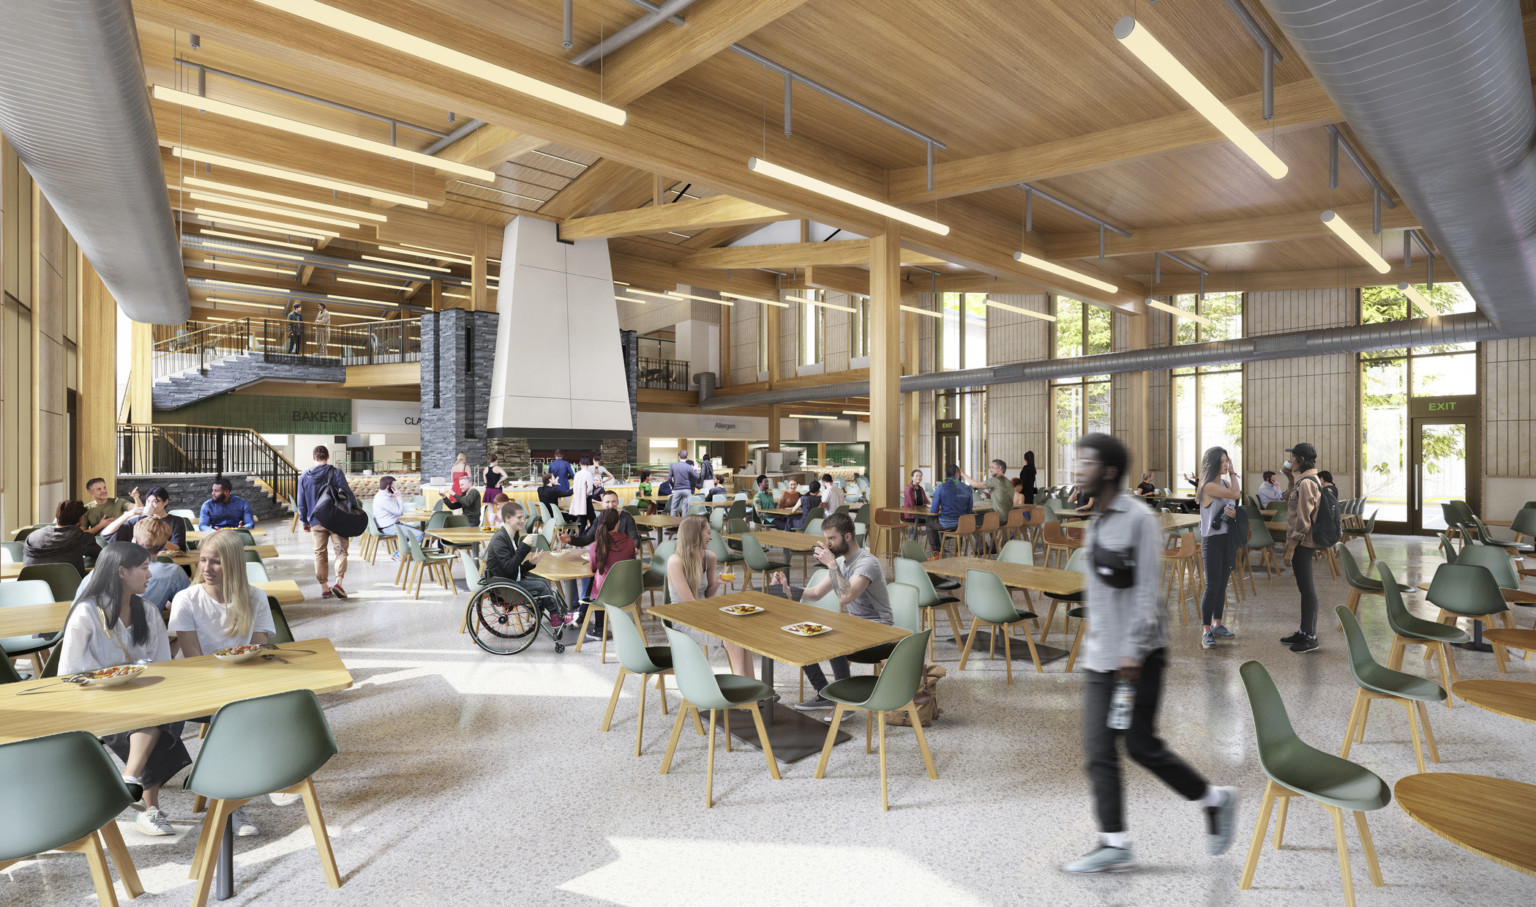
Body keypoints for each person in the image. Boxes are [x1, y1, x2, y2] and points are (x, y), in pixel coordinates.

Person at [1063, 433, 1236, 874]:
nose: (1078, 469)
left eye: (1086, 462)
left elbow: (1145, 593)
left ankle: (1214, 800)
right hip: (1102, 656)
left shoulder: (1137, 518)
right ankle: (1114, 840)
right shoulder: (1098, 520)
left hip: (1137, 657)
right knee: (1099, 748)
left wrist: (1131, 656)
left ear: (1107, 471)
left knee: (1140, 745)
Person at [59, 542, 190, 837]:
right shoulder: (86, 613)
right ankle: (149, 807)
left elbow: (162, 666)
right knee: (154, 720)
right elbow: (69, 674)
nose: (150, 574)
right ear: (121, 572)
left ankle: (131, 780)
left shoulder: (148, 611)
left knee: (161, 712)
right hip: (95, 699)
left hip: (142, 696)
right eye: (144, 568)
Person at [167, 529, 277, 837]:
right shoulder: (186, 599)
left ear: (233, 565)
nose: (206, 568)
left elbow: (257, 649)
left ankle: (278, 777)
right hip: (199, 687)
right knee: (230, 717)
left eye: (216, 562)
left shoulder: (255, 597)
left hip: (243, 682)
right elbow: (193, 659)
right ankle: (232, 804)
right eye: (202, 560)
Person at [776, 513, 892, 711]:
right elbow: (815, 593)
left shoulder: (866, 563)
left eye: (832, 538)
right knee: (803, 637)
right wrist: (787, 589)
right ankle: (824, 694)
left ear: (847, 536)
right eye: (826, 538)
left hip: (880, 632)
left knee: (833, 638)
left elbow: (846, 596)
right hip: (856, 628)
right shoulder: (841, 563)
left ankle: (844, 703)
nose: (828, 544)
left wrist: (831, 564)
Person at [666, 514, 753, 676]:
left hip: (703, 614)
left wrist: (718, 583)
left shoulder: (709, 557)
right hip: (684, 619)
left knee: (742, 636)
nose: (711, 537)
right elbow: (691, 604)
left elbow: (707, 595)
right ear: (695, 534)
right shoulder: (675, 561)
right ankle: (742, 691)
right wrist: (719, 619)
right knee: (733, 638)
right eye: (707, 533)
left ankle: (754, 692)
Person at [484, 501, 566, 626]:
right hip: (505, 587)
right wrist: (524, 546)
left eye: (523, 517)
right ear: (507, 518)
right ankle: (556, 618)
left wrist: (530, 563)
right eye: (519, 517)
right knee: (541, 586)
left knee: (543, 581)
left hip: (509, 580)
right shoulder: (500, 539)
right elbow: (510, 568)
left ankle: (554, 614)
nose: (523, 520)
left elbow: (513, 568)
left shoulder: (510, 537)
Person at [1196, 447, 1242, 650]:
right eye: (1223, 461)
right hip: (1212, 540)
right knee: (1212, 585)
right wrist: (1233, 472)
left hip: (1225, 537)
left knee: (1223, 584)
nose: (1226, 463)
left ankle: (1217, 624)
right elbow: (1236, 492)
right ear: (1215, 463)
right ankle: (1206, 631)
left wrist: (1232, 513)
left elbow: (1234, 499)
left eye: (1228, 460)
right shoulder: (1208, 486)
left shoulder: (1223, 483)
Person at [1281, 442, 1324, 654]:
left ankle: (1311, 637)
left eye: (1294, 457)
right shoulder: (1301, 481)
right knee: (1303, 589)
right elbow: (1286, 500)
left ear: (1303, 460)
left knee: (1307, 590)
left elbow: (1304, 520)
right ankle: (1303, 631)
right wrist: (1290, 479)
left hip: (1303, 543)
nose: (1291, 460)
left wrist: (1290, 548)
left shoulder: (1307, 483)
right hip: (1300, 542)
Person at [575, 508, 639, 639]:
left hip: (605, 596)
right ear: (618, 524)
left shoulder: (596, 546)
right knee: (601, 581)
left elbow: (593, 569)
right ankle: (584, 616)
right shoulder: (630, 543)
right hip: (628, 592)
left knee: (598, 581)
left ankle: (597, 627)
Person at [297, 445, 350, 600]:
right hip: (337, 519)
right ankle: (338, 582)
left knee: (319, 553)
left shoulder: (304, 476)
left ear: (314, 457)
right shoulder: (336, 472)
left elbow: (301, 500)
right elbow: (347, 494)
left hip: (316, 520)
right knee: (341, 551)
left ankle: (325, 588)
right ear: (328, 456)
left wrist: (304, 519)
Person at [23, 500, 100, 575]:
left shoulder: (32, 536)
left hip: (32, 585)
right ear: (80, 519)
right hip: (70, 585)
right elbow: (102, 555)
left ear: (56, 516)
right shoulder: (82, 538)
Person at [962, 459, 1012, 552]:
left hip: (997, 519)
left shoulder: (995, 481)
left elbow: (975, 485)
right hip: (1008, 518)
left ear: (1000, 468)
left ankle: (982, 546)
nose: (990, 469)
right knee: (987, 513)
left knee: (968, 520)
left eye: (992, 467)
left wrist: (963, 474)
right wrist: (992, 496)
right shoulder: (1007, 482)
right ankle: (993, 546)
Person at [372, 475, 422, 559]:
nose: (395, 488)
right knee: (420, 535)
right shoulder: (384, 498)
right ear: (389, 487)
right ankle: (399, 554)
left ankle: (410, 554)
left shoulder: (382, 495)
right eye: (394, 486)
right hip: (389, 527)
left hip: (390, 524)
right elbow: (400, 512)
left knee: (415, 531)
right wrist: (398, 497)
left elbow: (397, 511)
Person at [927, 464, 974, 553]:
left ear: (946, 474)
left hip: (946, 523)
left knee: (929, 522)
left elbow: (933, 510)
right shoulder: (967, 488)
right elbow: (969, 510)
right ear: (958, 474)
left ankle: (936, 552)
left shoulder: (940, 487)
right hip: (963, 524)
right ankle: (957, 552)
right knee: (959, 521)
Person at [570, 454, 597, 532]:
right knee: (594, 521)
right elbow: (590, 488)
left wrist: (581, 495)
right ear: (588, 464)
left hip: (578, 499)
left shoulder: (577, 474)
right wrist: (586, 494)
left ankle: (581, 539)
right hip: (587, 499)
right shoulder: (588, 473)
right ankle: (588, 537)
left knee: (583, 522)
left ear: (580, 463)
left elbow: (574, 487)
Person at [667, 449, 698, 517]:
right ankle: (683, 525)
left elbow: (669, 479)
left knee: (674, 508)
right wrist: (695, 469)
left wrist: (673, 486)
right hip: (687, 489)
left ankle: (672, 525)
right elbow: (696, 477)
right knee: (685, 508)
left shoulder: (673, 465)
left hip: (677, 489)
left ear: (679, 457)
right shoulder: (689, 466)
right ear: (686, 457)